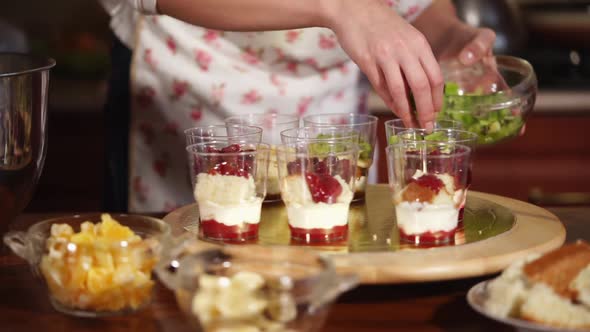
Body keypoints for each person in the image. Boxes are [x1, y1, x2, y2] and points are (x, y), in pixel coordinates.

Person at [99, 0, 497, 213]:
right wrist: (342, 6)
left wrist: (447, 36)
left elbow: (416, 4)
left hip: (334, 124)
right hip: (194, 103)